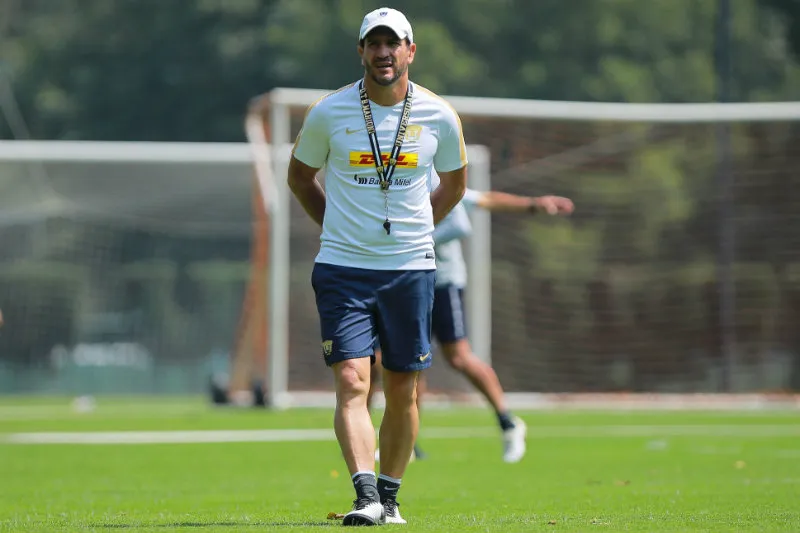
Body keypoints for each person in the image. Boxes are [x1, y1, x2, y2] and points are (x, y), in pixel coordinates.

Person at [287, 7, 468, 526]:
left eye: (394, 44)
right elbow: (300, 178)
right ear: (361, 51)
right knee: (351, 380)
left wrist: (419, 231)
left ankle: (389, 497)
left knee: (403, 388)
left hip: (410, 269)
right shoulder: (329, 112)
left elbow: (454, 185)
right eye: (374, 44)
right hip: (342, 267)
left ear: (410, 51)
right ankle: (365, 495)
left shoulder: (438, 115)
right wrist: (333, 227)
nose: (384, 53)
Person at [369, 183, 574, 463]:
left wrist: (534, 204)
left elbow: (474, 211)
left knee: (459, 358)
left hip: (442, 282)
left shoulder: (433, 178)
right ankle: (407, 439)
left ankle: (508, 422)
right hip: (404, 283)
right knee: (404, 360)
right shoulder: (392, 179)